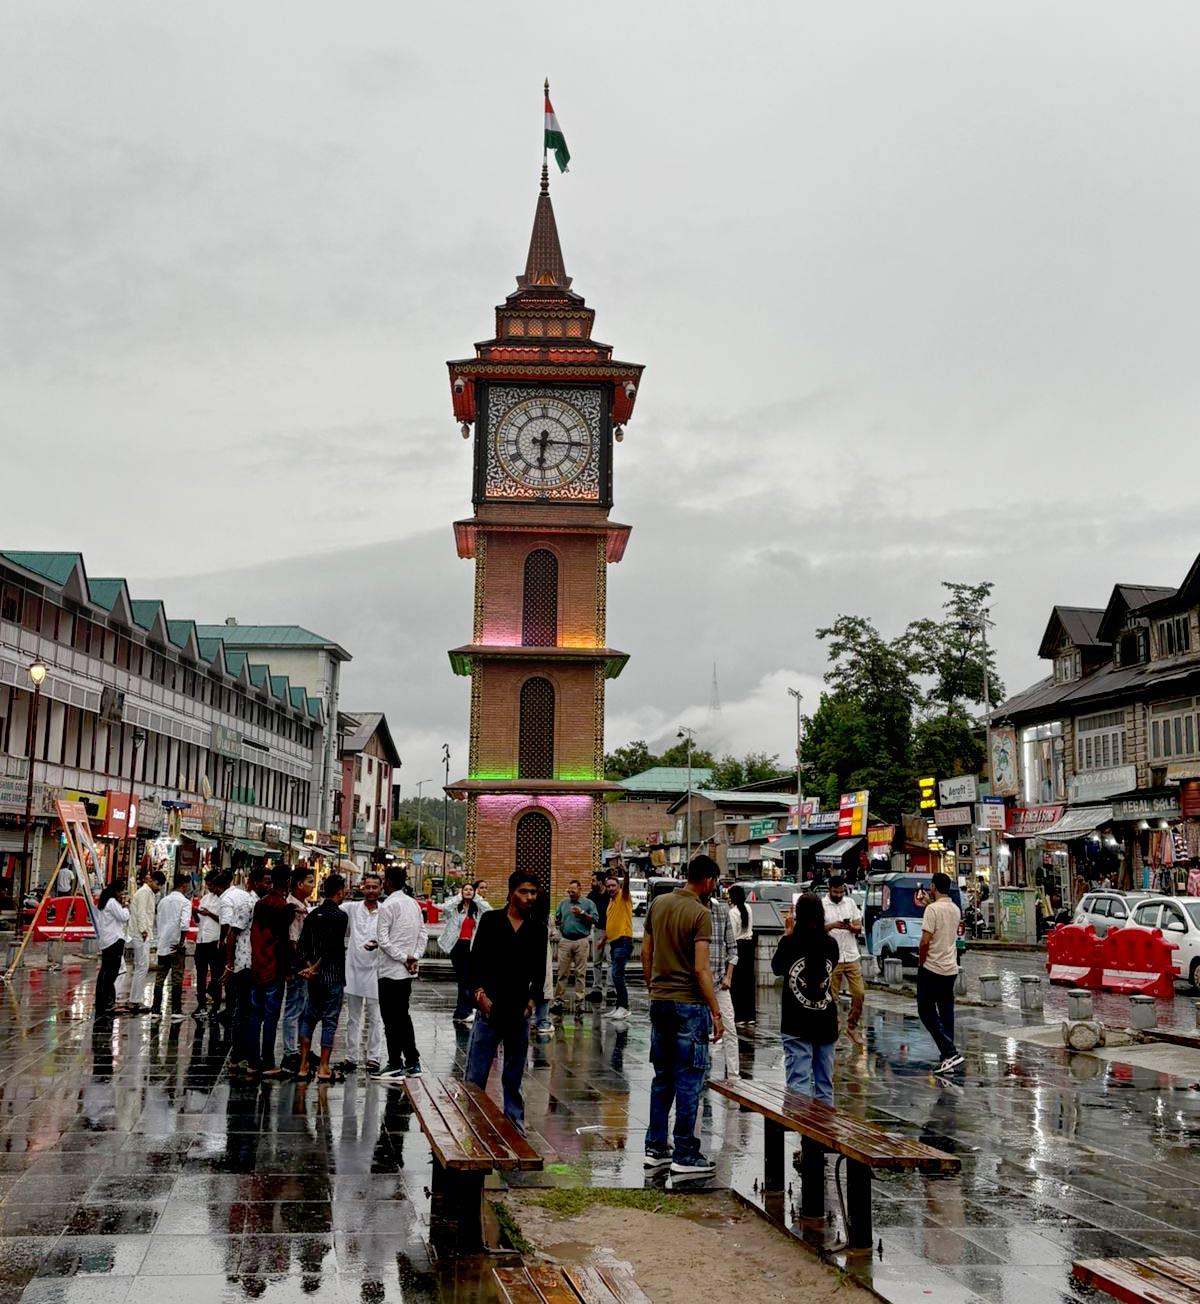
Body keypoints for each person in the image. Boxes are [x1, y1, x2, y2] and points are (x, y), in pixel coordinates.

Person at [641, 855, 723, 1178]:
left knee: (662, 1078)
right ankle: (685, 1153)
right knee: (689, 1080)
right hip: (689, 1004)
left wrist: (653, 987)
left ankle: (656, 1149)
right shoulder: (700, 914)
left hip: (660, 1000)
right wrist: (715, 1011)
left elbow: (646, 953)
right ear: (708, 881)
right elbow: (701, 969)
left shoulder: (658, 904)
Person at [466, 868, 548, 1133]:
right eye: (524, 892)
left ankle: (514, 1123)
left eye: (533, 892)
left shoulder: (537, 929)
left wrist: (531, 1003)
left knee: (514, 1074)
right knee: (476, 1072)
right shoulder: (491, 921)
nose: (529, 897)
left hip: (518, 1009)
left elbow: (540, 972)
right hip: (489, 1007)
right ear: (512, 893)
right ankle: (472, 1119)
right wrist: (479, 995)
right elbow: (476, 961)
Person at [773, 893, 839, 1103]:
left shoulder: (790, 942)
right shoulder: (831, 944)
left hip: (796, 1021)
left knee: (798, 1083)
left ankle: (800, 1121)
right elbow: (831, 966)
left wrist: (787, 934)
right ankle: (824, 1124)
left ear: (798, 915)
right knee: (824, 1085)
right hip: (825, 1020)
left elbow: (777, 968)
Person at [373, 864, 428, 1081]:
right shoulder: (413, 904)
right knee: (402, 1016)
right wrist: (414, 956)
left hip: (390, 970)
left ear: (388, 882)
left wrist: (405, 958)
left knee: (391, 1019)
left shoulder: (388, 905)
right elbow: (423, 933)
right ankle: (412, 1061)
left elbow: (383, 940)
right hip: (406, 971)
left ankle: (395, 1062)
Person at [296, 873, 350, 1082]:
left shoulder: (312, 915)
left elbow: (302, 946)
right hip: (332, 976)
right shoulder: (340, 916)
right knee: (329, 1021)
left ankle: (303, 1065)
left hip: (314, 979)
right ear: (340, 892)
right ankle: (324, 1067)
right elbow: (332, 948)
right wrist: (315, 967)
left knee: (308, 1019)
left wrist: (308, 968)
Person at [243, 865, 294, 1079]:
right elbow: (283, 942)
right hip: (274, 968)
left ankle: (253, 1062)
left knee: (256, 1015)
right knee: (271, 1017)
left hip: (258, 965)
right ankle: (268, 1061)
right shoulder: (284, 907)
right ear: (288, 882)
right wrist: (288, 968)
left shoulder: (261, 904)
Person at [917, 872, 963, 1074]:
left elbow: (925, 941)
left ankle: (950, 1052)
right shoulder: (955, 909)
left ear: (933, 887)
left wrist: (921, 962)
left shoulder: (932, 910)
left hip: (932, 967)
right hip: (950, 967)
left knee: (926, 1011)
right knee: (946, 1012)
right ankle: (948, 1058)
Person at [341, 871, 386, 1070]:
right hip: (353, 969)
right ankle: (351, 1057)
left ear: (381, 889)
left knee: (375, 1017)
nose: (371, 891)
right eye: (368, 887)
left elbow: (392, 937)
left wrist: (379, 943)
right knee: (353, 1017)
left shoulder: (385, 911)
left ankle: (374, 1056)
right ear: (362, 888)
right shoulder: (351, 908)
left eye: (375, 887)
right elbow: (328, 910)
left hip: (376, 970)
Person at [823, 875, 865, 1045]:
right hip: (832, 957)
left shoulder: (850, 903)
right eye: (836, 892)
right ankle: (834, 1031)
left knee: (859, 993)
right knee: (832, 998)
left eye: (841, 892)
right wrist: (832, 925)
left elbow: (859, 927)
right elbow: (817, 930)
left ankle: (852, 1027)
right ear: (829, 890)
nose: (839, 895)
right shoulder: (822, 905)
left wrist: (851, 927)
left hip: (851, 955)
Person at [439, 880, 489, 1025]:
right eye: (465, 889)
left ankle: (462, 1011)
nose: (468, 891)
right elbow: (444, 908)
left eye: (470, 890)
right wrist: (459, 897)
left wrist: (477, 898)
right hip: (458, 946)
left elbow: (489, 910)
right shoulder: (455, 909)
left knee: (468, 980)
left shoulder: (477, 909)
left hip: (471, 947)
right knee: (464, 980)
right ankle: (464, 1011)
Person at [280, 867, 314, 1074]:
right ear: (299, 884)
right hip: (297, 965)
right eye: (310, 882)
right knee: (293, 1009)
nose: (312, 886)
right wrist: (304, 963)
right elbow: (293, 941)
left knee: (303, 1008)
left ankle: (302, 1049)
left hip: (304, 964)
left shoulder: (304, 905)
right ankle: (290, 1051)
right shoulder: (292, 908)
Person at [551, 880, 598, 1013]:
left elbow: (595, 920)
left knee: (580, 973)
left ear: (580, 890)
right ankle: (558, 1001)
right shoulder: (563, 903)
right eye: (569, 891)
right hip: (565, 941)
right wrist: (557, 921)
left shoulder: (588, 904)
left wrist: (582, 913)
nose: (570, 893)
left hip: (581, 941)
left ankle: (579, 1003)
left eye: (573, 891)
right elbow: (558, 918)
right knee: (562, 973)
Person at [707, 884, 739, 1079]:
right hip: (695, 983)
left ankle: (734, 1075)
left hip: (719, 980)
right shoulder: (689, 910)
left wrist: (728, 976)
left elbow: (732, 949)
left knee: (729, 1028)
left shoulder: (721, 911)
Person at [151, 872, 191, 1022]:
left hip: (163, 944)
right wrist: (181, 942)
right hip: (176, 946)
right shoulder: (185, 902)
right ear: (184, 885)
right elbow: (184, 924)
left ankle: (155, 1010)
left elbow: (158, 922)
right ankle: (176, 1010)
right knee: (177, 977)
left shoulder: (162, 902)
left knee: (160, 977)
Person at [121, 870, 158, 1013]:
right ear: (151, 881)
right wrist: (143, 930)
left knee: (141, 966)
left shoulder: (147, 893)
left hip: (141, 933)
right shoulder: (143, 893)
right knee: (142, 966)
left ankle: (135, 999)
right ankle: (134, 1000)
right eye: (157, 884)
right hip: (140, 934)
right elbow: (141, 913)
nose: (158, 888)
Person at [193, 870, 226, 1020]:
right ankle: (201, 1003)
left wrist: (209, 914)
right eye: (208, 885)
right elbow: (199, 921)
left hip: (214, 940)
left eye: (211, 885)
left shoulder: (222, 900)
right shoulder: (205, 898)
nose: (209, 888)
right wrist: (195, 913)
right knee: (200, 974)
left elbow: (224, 920)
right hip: (201, 940)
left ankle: (216, 1005)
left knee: (215, 974)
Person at [601, 868, 634, 1021]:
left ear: (619, 886)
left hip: (623, 940)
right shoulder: (611, 902)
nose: (611, 888)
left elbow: (626, 886)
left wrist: (626, 873)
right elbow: (611, 923)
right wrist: (603, 940)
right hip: (614, 942)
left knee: (617, 974)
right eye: (608, 886)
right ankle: (619, 1006)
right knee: (616, 975)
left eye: (613, 885)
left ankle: (624, 1007)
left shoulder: (624, 897)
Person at [93, 883, 129, 1018]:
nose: (122, 895)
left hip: (106, 941)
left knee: (105, 972)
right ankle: (107, 1002)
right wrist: (126, 907)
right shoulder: (112, 902)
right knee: (111, 973)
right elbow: (123, 917)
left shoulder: (104, 902)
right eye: (121, 892)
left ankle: (103, 1001)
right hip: (114, 940)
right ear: (116, 891)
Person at [727, 884, 756, 1027]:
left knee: (737, 983)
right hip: (749, 946)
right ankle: (750, 1016)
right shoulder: (748, 908)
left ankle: (739, 1016)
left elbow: (732, 934)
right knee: (748, 981)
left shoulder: (733, 912)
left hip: (738, 946)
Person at [586, 870, 610, 1003]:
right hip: (598, 930)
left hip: (611, 931)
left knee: (611, 961)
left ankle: (611, 989)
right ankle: (597, 989)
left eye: (594, 880)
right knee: (597, 961)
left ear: (600, 882)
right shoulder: (592, 895)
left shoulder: (610, 893)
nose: (591, 883)